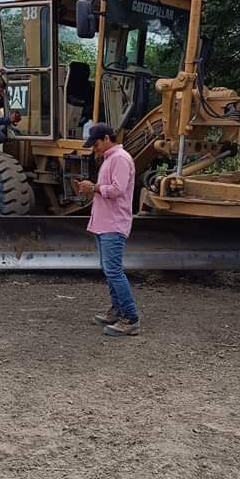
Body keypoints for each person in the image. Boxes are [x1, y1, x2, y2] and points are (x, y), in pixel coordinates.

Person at [77, 122, 140, 337]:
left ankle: (130, 318)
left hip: (113, 223)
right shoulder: (110, 159)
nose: (94, 149)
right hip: (106, 223)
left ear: (106, 138)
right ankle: (118, 310)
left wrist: (93, 187)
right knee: (109, 270)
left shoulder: (119, 159)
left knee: (113, 271)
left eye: (96, 144)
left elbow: (117, 190)